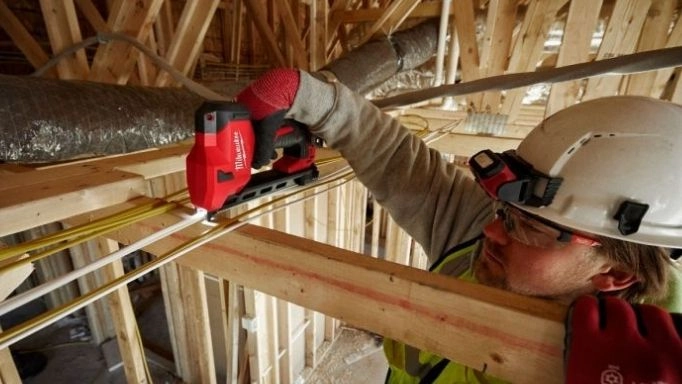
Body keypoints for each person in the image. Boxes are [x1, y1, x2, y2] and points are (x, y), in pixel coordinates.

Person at [236, 68, 682, 383]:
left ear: (615, 273)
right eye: (505, 213)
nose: (492, 231)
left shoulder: (647, 369)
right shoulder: (482, 239)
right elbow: (398, 162)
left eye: (529, 228)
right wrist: (308, 94)